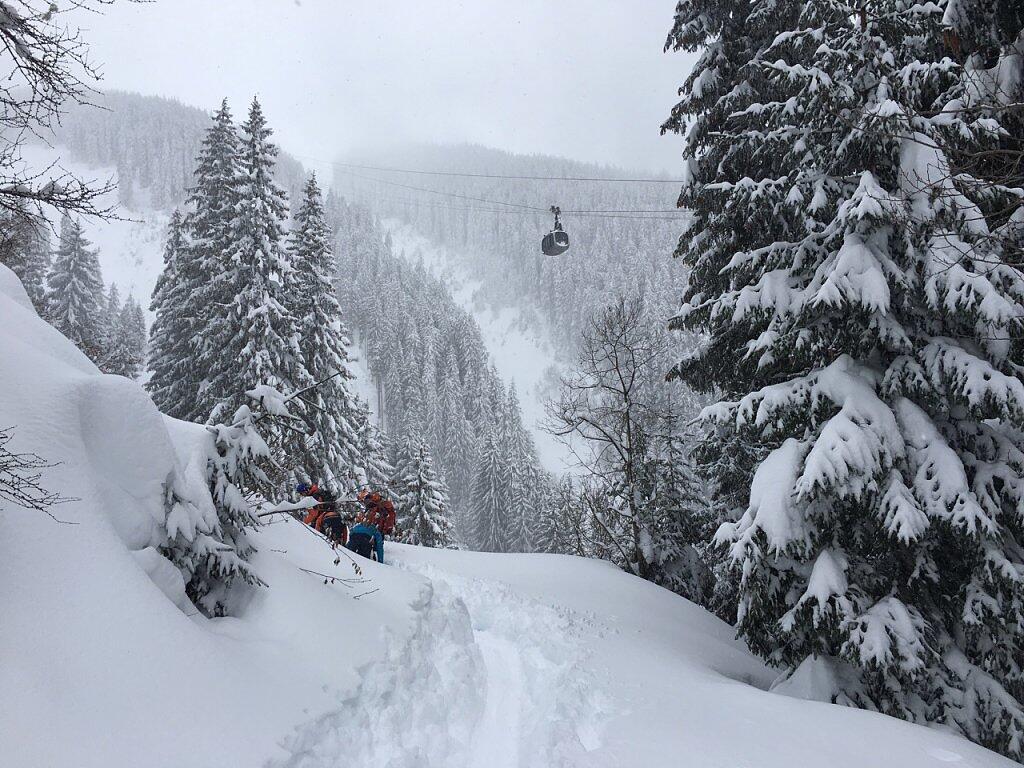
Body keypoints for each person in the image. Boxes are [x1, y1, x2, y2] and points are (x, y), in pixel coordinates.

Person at [346, 489, 393, 563]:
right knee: (364, 561)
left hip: (354, 538)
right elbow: (380, 546)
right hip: (366, 539)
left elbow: (351, 534)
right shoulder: (374, 529)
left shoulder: (357, 526)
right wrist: (380, 562)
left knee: (348, 558)